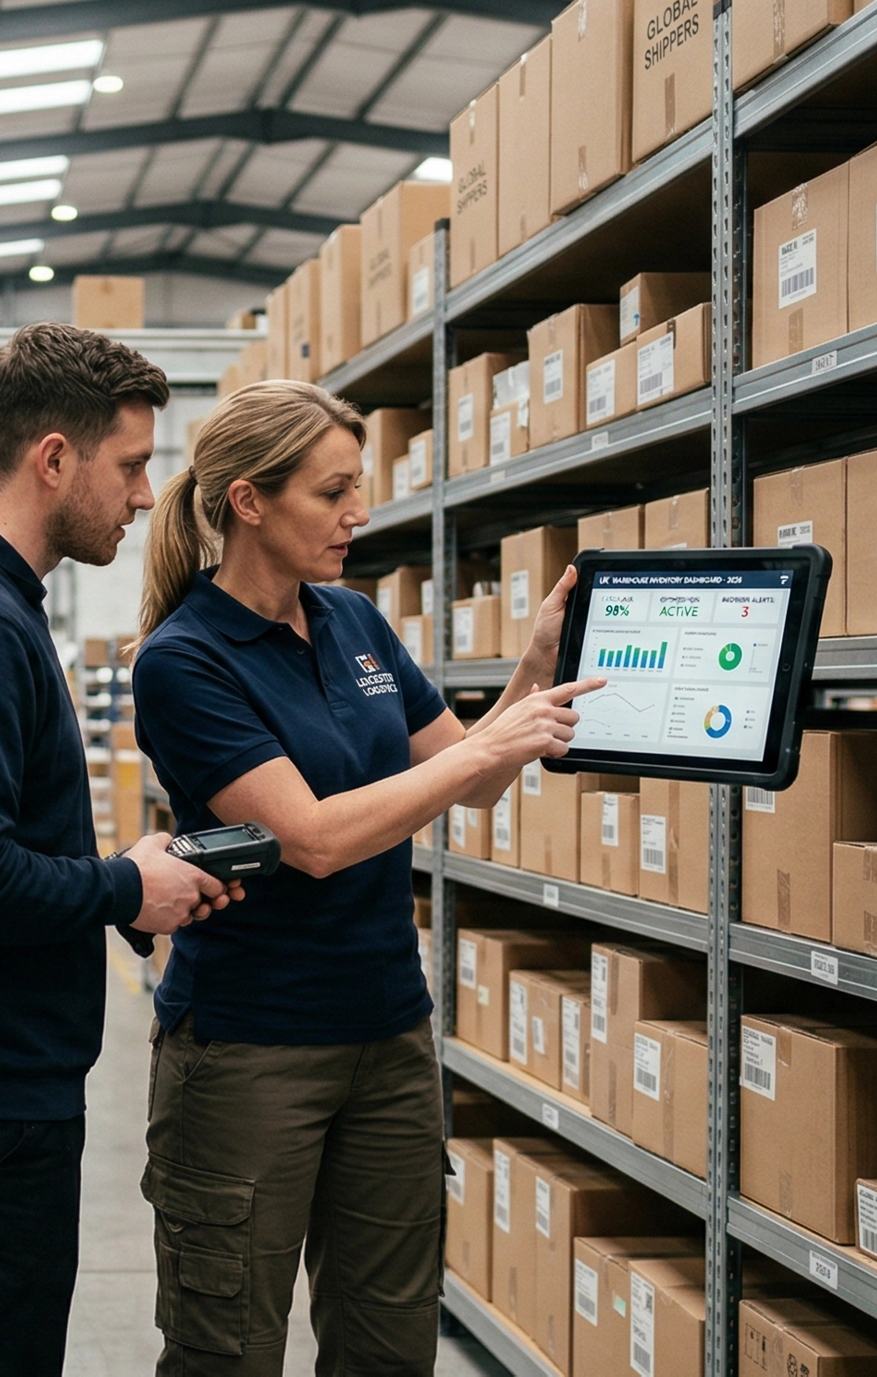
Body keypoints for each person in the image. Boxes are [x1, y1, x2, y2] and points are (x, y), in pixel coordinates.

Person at [126, 380, 598, 1375]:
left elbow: (469, 779)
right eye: (332, 491)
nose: (358, 513)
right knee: (227, 1352)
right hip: (251, 1048)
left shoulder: (354, 622)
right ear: (249, 502)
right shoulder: (184, 660)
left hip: (388, 1036)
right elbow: (312, 839)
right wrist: (483, 750)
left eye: (358, 487)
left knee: (389, 1346)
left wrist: (533, 669)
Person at [0, 322, 242, 1377]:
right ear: (54, 458)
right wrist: (122, 888)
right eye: (130, 465)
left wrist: (128, 878)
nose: (146, 495)